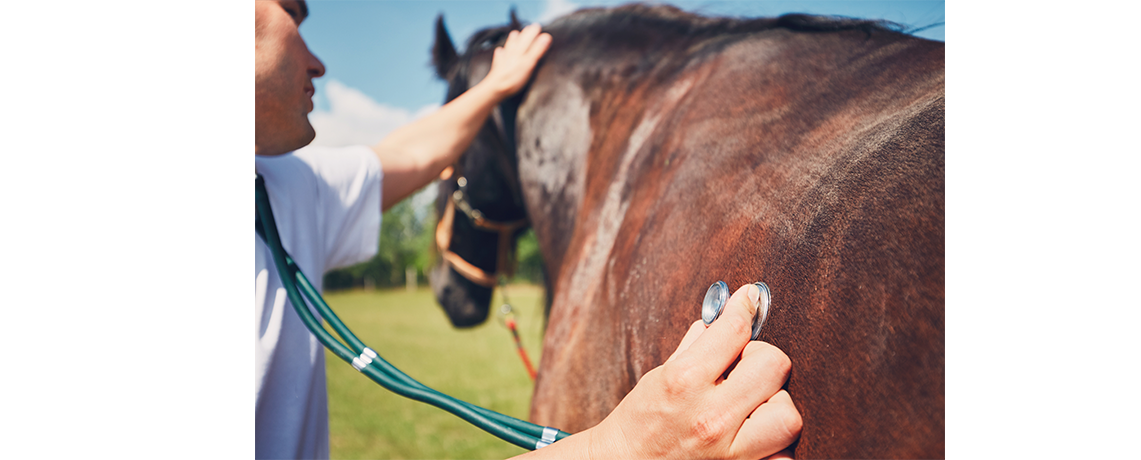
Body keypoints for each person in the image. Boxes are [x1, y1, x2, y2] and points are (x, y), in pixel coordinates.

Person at [255, 0, 803, 458]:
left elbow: (411, 151)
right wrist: (623, 446)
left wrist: (493, 87)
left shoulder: (284, 184)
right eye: (291, 13)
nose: (317, 61)